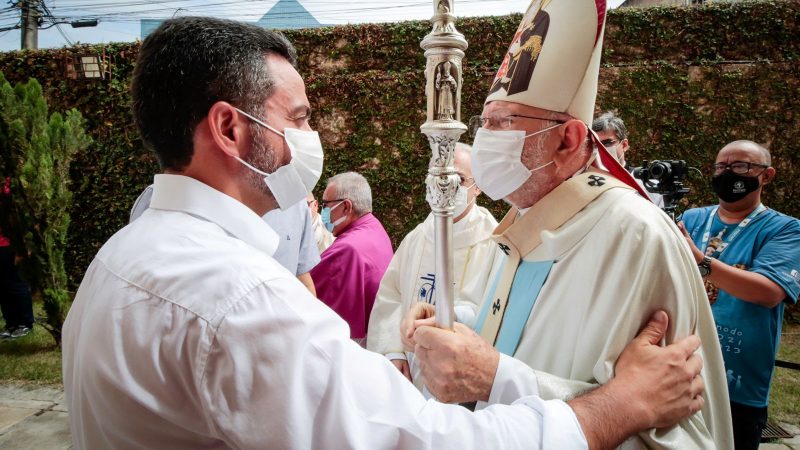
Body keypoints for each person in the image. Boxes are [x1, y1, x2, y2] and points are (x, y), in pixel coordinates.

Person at [62, 16, 708, 450]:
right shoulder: (238, 296)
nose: (312, 139)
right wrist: (618, 405)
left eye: (509, 124)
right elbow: (420, 441)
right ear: (230, 130)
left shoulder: (120, 254)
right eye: (300, 117)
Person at [405, 1, 733, 449]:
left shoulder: (633, 234)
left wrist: (497, 379)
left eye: (503, 123)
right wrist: (453, 321)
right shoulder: (524, 218)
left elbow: (672, 422)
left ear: (569, 139)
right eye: (485, 123)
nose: (484, 138)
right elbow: (522, 325)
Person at [678, 140, 800, 450]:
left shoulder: (785, 229)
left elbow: (768, 292)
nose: (728, 173)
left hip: (738, 386)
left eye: (741, 166)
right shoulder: (691, 219)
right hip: (680, 373)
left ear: (767, 176)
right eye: (721, 167)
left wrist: (701, 261)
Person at [368, 143, 497, 389]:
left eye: (457, 177)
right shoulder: (418, 236)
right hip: (408, 368)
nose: (445, 185)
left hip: (457, 369)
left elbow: (492, 309)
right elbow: (391, 295)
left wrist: (449, 317)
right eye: (437, 175)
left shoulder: (493, 240)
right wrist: (393, 350)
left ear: (478, 186)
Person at [131, 185, 320, 294]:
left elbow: (302, 277)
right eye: (297, 118)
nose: (307, 131)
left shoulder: (295, 204)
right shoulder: (164, 196)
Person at [309, 172, 393, 346]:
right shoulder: (374, 227)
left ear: (346, 207)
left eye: (325, 205)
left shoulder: (347, 249)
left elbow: (308, 293)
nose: (324, 212)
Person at [591, 111, 664, 208]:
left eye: (607, 143)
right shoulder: (587, 181)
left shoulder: (648, 185)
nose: (601, 149)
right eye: (596, 145)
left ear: (624, 145)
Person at [0, 177, 34, 340]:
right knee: (2, 287)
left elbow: (23, 216)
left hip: (10, 243)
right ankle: (10, 323)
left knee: (16, 283)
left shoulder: (11, 185)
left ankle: (25, 323)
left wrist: (25, 246)